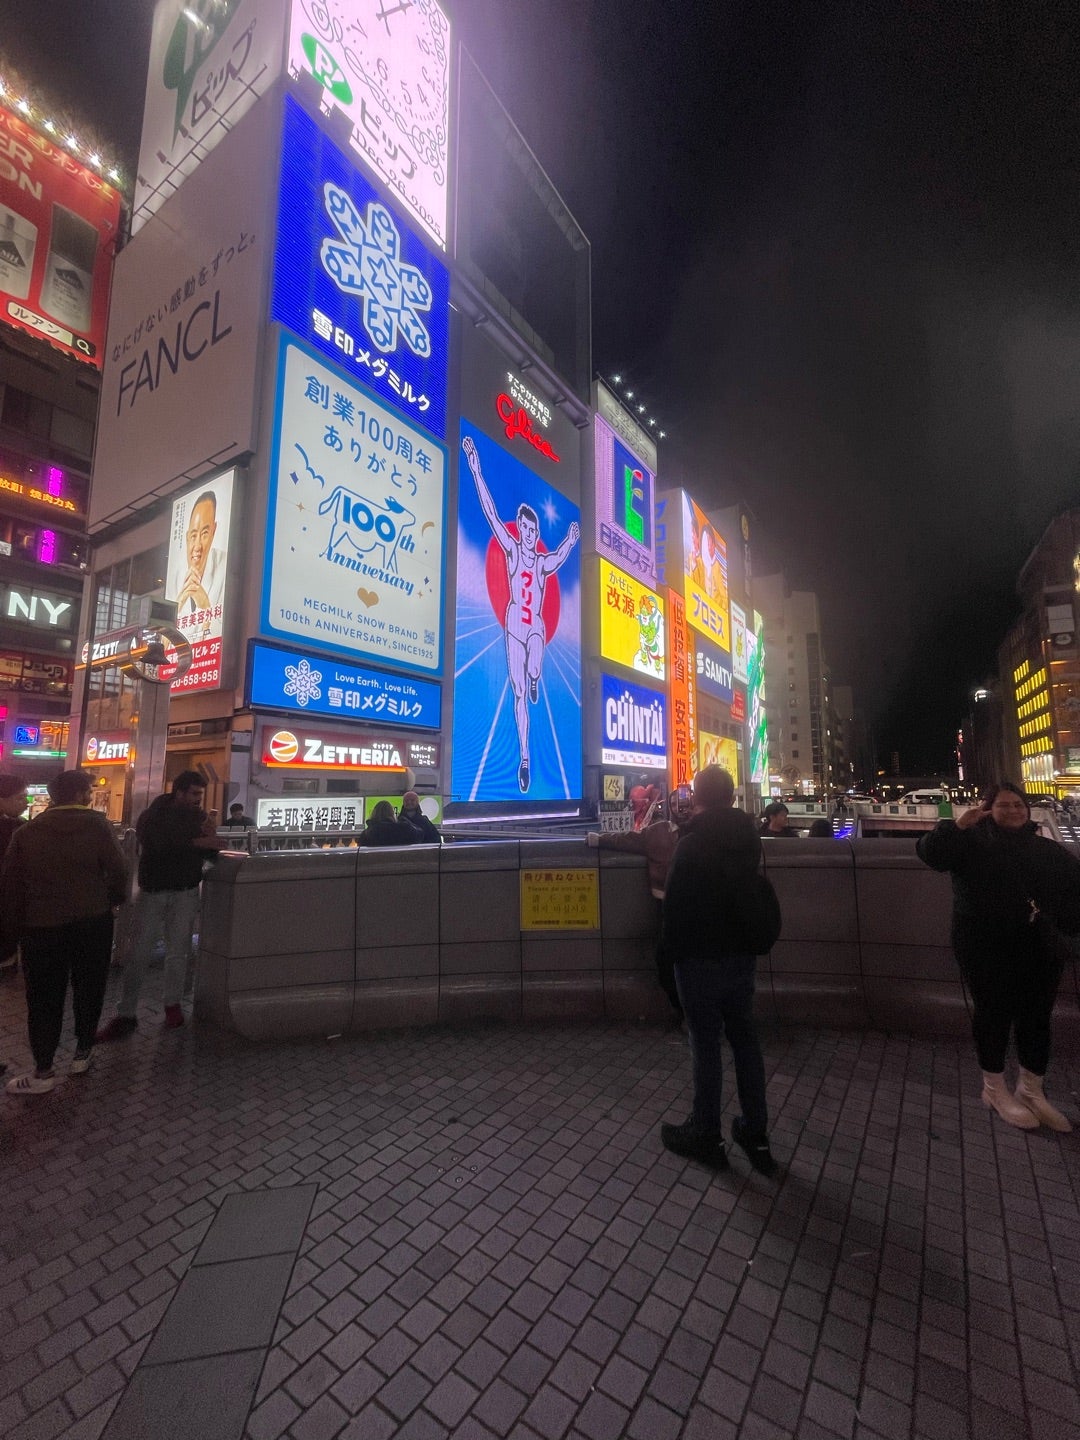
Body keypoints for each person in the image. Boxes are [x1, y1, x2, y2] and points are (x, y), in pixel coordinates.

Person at [917, 782, 1080, 1130]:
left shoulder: (1045, 848)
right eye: (1004, 805)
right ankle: (993, 1088)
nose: (1014, 811)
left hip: (1038, 947)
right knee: (993, 1015)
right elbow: (931, 855)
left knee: (1037, 1017)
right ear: (987, 809)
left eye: (1018, 804)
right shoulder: (970, 844)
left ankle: (1031, 1090)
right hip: (984, 947)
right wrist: (958, 825)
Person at [660, 765, 778, 1174]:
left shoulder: (691, 844)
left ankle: (706, 1133)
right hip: (740, 956)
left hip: (699, 959)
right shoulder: (748, 838)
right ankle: (755, 1133)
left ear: (697, 798)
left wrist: (667, 962)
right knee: (745, 1040)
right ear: (730, 797)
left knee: (705, 1045)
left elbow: (673, 910)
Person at [462, 435, 580, 794]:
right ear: (521, 528)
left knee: (535, 653)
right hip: (515, 624)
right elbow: (490, 514)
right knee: (518, 695)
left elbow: (559, 557)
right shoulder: (512, 551)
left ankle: (535, 675)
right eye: (524, 528)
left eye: (532, 530)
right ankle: (525, 758)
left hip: (535, 626)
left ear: (537, 532)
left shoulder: (541, 562)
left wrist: (571, 540)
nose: (528, 534)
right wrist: (475, 469)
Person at [1, 770, 128, 1093]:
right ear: (83, 794)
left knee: (44, 997)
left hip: (41, 927)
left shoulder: (27, 832)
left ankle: (43, 1071)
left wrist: (13, 934)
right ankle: (82, 1054)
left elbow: (11, 886)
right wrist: (111, 901)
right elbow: (119, 870)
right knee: (89, 988)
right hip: (93, 923)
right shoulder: (99, 826)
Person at [97, 771, 225, 1039]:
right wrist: (198, 842)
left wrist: (210, 841)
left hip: (185, 890)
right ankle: (126, 1012)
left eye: (200, 794)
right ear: (179, 792)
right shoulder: (152, 815)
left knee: (179, 951)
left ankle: (172, 1005)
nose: (198, 800)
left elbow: (206, 851)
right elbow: (157, 844)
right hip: (154, 891)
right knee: (139, 952)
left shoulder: (200, 819)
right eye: (194, 794)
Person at [587, 807, 682, 1019]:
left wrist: (597, 840)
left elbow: (627, 840)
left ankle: (687, 1011)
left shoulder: (661, 832)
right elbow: (628, 839)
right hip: (688, 905)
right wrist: (599, 839)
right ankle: (695, 1012)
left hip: (671, 905)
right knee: (680, 959)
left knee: (670, 959)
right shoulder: (705, 833)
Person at [174, 490, 225, 640]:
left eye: (204, 534)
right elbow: (164, 644)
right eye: (193, 535)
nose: (197, 546)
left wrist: (206, 607)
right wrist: (175, 611)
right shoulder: (175, 575)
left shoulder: (226, 568)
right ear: (186, 537)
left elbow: (223, 639)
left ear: (214, 531)